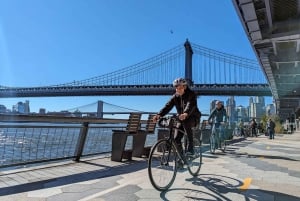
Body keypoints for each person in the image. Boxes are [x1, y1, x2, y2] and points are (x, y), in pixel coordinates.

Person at [153, 78, 201, 155]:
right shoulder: (175, 97)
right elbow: (167, 106)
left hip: (193, 117)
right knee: (176, 139)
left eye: (180, 87)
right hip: (181, 118)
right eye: (176, 87)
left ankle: (191, 148)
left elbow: (191, 105)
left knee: (186, 121)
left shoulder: (191, 94)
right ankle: (181, 158)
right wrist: (159, 114)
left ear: (185, 87)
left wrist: (185, 113)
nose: (178, 89)